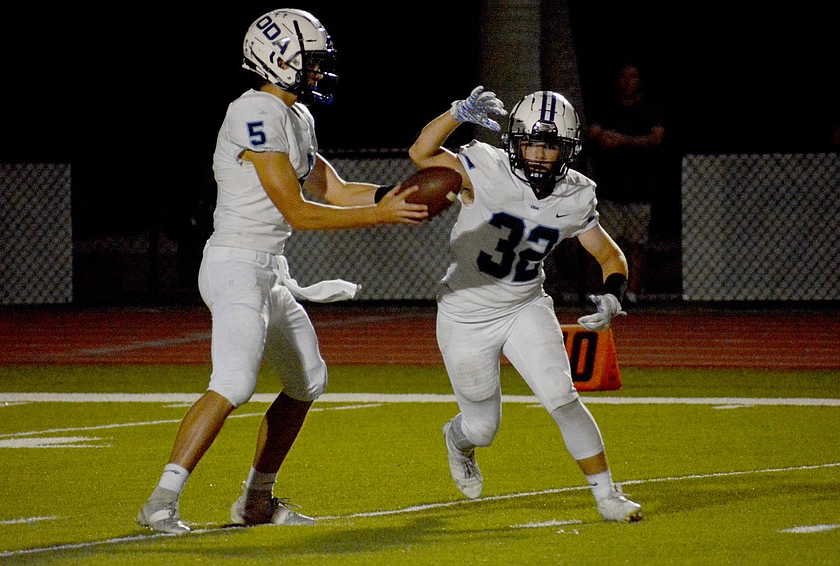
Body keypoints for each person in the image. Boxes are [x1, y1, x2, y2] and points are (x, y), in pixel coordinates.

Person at [136, 9, 428, 535]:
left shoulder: (297, 117)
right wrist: (381, 216)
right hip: (234, 263)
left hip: (269, 269)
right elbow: (297, 211)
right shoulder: (252, 110)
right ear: (279, 59)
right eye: (311, 61)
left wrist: (399, 193)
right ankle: (161, 501)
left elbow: (333, 191)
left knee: (307, 379)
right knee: (234, 380)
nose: (318, 71)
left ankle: (255, 501)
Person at [408, 86, 642, 522]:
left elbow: (610, 255)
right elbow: (421, 153)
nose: (537, 154)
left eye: (549, 146)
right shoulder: (485, 167)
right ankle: (457, 441)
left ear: (566, 150)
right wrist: (455, 113)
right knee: (482, 428)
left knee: (563, 397)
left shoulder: (574, 195)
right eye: (530, 142)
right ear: (512, 141)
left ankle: (607, 495)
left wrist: (613, 295)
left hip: (525, 305)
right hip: (465, 313)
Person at [586, 63, 666, 304]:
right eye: (624, 76)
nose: (629, 81)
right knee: (609, 243)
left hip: (640, 187)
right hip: (611, 187)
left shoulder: (650, 107)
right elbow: (593, 132)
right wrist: (604, 137)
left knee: (637, 243)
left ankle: (632, 292)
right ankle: (609, 290)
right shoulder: (606, 105)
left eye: (634, 76)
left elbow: (656, 138)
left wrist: (623, 141)